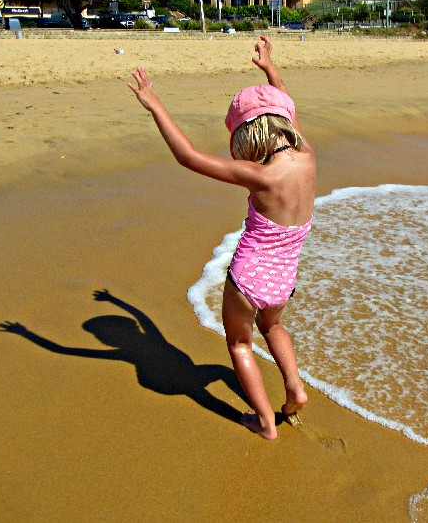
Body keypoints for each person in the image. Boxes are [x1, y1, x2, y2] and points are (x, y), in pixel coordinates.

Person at [128, 35, 316, 440]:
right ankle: (295, 388)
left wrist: (155, 105)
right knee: (275, 328)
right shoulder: (308, 158)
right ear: (284, 120)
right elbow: (286, 100)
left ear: (247, 135)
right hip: (284, 278)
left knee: (240, 345)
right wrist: (269, 69)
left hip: (249, 277)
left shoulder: (259, 175)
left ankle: (265, 422)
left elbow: (189, 158)